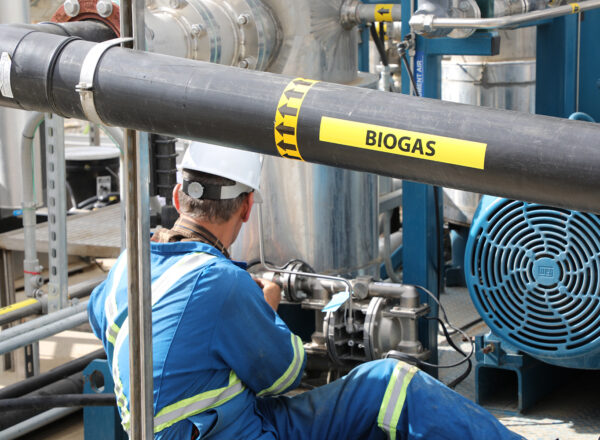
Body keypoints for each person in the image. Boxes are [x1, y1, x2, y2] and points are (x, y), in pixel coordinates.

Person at [88, 141, 524, 440]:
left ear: (180, 196)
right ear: (246, 208)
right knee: (391, 383)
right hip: (237, 432)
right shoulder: (219, 282)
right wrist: (268, 310)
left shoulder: (129, 265)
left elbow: (104, 320)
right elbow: (284, 374)